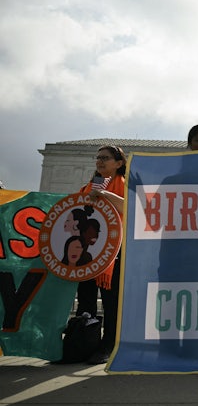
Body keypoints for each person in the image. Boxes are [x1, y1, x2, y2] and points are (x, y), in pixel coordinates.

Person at [75, 145, 126, 364]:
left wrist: (104, 194)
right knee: (86, 298)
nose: (100, 161)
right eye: (98, 158)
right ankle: (84, 343)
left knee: (110, 300)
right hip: (86, 251)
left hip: (113, 250)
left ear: (119, 163)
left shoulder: (125, 185)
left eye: (105, 158)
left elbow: (129, 207)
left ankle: (108, 345)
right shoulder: (88, 186)